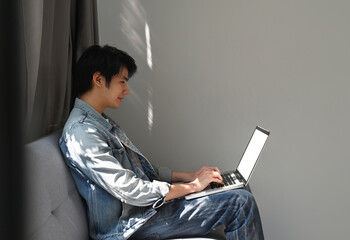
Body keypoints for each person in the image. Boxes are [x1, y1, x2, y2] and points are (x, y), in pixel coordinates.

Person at [59, 45, 265, 240]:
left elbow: (144, 171)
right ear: (98, 79)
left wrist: (190, 177)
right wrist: (192, 186)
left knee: (239, 190)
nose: (127, 90)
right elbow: (130, 189)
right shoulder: (82, 133)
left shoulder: (101, 122)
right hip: (129, 228)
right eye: (122, 81)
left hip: (146, 213)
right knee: (240, 202)